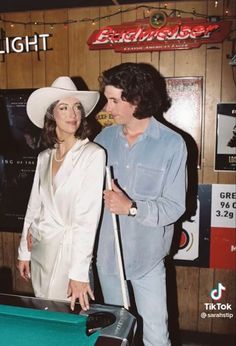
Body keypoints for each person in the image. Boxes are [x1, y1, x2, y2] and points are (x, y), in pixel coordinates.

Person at [95, 63, 187, 346]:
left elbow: (174, 206)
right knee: (115, 336)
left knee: (157, 337)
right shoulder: (102, 140)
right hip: (109, 259)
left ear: (135, 99)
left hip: (148, 258)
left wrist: (131, 208)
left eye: (113, 100)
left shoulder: (172, 144)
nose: (107, 108)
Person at [18, 76, 105, 311]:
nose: (72, 114)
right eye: (63, 108)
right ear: (51, 115)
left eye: (77, 107)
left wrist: (79, 273)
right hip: (41, 249)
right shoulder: (44, 157)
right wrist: (24, 252)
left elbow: (88, 218)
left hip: (70, 256)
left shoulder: (93, 154)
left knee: (67, 320)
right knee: (44, 315)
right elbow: (34, 206)